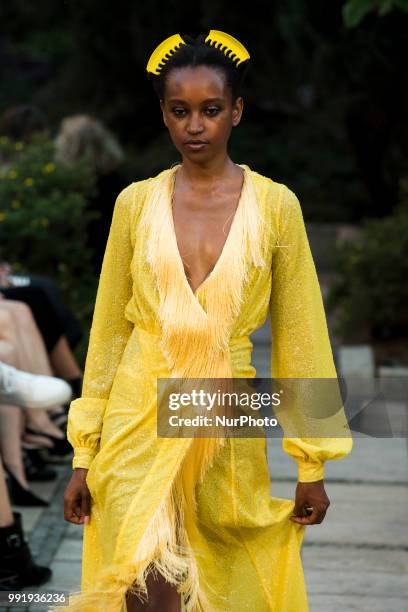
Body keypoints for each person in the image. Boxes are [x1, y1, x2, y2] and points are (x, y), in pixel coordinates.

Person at [62, 31, 353, 612]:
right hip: (135, 416)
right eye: (180, 111)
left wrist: (310, 462)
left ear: (237, 112)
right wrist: (84, 454)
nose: (196, 125)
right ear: (164, 116)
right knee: (144, 585)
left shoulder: (276, 206)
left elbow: (302, 337)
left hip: (223, 417)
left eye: (211, 110)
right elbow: (108, 334)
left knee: (216, 578)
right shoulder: (134, 204)